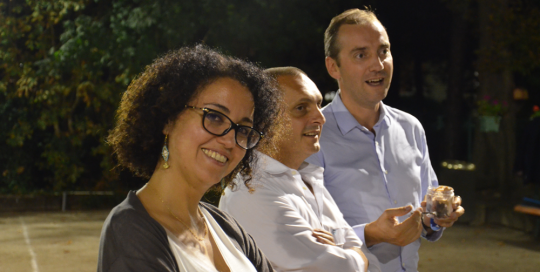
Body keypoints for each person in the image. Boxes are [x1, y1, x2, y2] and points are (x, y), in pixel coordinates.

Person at [306, 9, 465, 272]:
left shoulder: (411, 128)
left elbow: (426, 216)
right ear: (333, 66)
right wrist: (369, 233)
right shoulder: (312, 135)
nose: (378, 65)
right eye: (361, 55)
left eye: (383, 51)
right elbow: (302, 232)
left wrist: (437, 218)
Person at [98, 45, 280, 272]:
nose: (230, 141)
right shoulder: (130, 231)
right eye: (214, 117)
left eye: (243, 130)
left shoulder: (226, 227)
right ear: (168, 118)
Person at [220, 67, 381, 272]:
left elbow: (362, 257)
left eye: (318, 104)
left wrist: (352, 254)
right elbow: (345, 266)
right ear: (263, 123)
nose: (320, 118)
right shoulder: (252, 193)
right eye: (301, 108)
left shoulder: (306, 178)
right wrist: (355, 255)